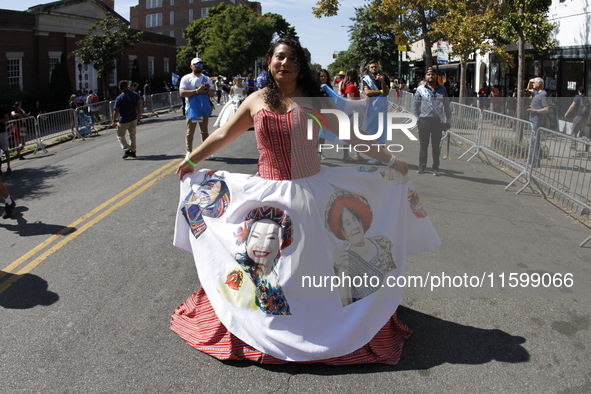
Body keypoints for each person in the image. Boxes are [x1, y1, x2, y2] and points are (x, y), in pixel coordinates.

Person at [171, 37, 440, 366]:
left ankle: (320, 325)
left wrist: (389, 160)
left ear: (301, 66)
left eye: (292, 59)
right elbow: (223, 134)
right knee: (273, 269)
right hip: (267, 194)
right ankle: (269, 324)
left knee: (309, 267)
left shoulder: (315, 103)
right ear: (269, 62)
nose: (284, 64)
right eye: (279, 58)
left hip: (310, 193)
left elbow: (352, 136)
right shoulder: (255, 101)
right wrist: (194, 160)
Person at [328, 192, 397, 307]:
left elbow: (395, 276)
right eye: (348, 223)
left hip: (389, 307)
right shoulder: (343, 260)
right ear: (343, 232)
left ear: (361, 222)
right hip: (366, 316)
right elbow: (345, 303)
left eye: (355, 220)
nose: (354, 226)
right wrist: (342, 268)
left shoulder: (382, 242)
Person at [413, 67, 452, 176]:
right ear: (425, 76)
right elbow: (415, 105)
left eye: (433, 74)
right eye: (429, 74)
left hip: (437, 121)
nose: (431, 76)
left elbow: (447, 106)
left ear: (436, 76)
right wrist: (417, 119)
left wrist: (448, 121)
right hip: (424, 120)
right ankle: (422, 167)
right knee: (423, 145)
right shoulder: (421, 89)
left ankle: (436, 168)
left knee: (436, 146)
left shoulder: (442, 89)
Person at [179, 57, 215, 155]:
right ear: (191, 66)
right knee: (190, 132)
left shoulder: (206, 79)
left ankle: (207, 152)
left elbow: (212, 94)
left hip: (203, 108)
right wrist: (197, 91)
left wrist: (207, 89)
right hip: (191, 108)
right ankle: (189, 151)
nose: (198, 66)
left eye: (200, 65)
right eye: (196, 65)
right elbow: (182, 93)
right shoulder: (186, 78)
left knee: (204, 132)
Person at [362, 60, 391, 164]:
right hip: (371, 108)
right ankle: (375, 155)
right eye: (372, 67)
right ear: (369, 69)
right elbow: (367, 92)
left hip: (382, 108)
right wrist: (381, 91)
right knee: (372, 132)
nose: (374, 69)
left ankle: (383, 156)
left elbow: (387, 93)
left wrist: (382, 82)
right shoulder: (366, 79)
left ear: (379, 67)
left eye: (376, 67)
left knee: (381, 132)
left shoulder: (385, 78)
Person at [112, 80, 142, 159]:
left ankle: (127, 149)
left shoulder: (119, 98)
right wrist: (139, 112)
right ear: (127, 86)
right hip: (133, 117)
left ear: (119, 88)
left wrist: (114, 120)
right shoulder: (134, 94)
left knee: (120, 134)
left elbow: (116, 110)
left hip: (124, 119)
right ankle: (133, 150)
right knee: (132, 135)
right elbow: (139, 102)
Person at [526, 77, 549, 167]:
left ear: (539, 84)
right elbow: (528, 89)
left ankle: (536, 161)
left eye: (534, 83)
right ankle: (531, 159)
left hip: (536, 120)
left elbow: (546, 109)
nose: (533, 84)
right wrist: (530, 81)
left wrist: (534, 110)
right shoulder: (537, 93)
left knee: (535, 141)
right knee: (532, 141)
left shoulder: (543, 94)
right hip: (532, 120)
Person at [0, 103, 13, 175]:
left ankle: (8, 167)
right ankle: (0, 168)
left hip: (2, 131)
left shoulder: (2, 107)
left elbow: (6, 118)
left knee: (5, 149)